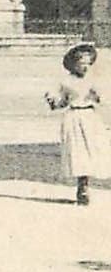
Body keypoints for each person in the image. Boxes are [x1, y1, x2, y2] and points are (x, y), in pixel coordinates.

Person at [45, 42, 111, 206]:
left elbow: (102, 100)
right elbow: (60, 104)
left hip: (90, 117)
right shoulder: (66, 82)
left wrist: (97, 95)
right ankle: (82, 187)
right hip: (74, 117)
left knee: (93, 150)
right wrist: (53, 100)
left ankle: (86, 183)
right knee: (78, 152)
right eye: (81, 63)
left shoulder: (93, 81)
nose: (85, 67)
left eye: (88, 63)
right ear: (73, 64)